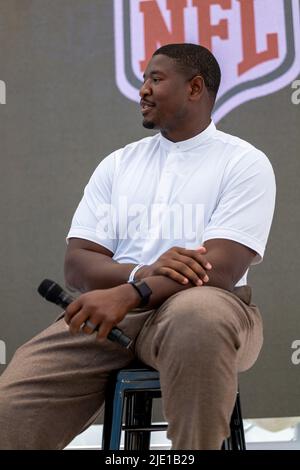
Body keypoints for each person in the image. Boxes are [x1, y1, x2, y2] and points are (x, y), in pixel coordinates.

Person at [0, 43, 276, 450]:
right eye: (144, 79)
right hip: (112, 314)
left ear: (195, 88)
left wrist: (133, 291)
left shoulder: (243, 163)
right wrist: (139, 274)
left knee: (199, 315)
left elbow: (218, 271)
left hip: (209, 308)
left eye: (156, 79)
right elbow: (77, 264)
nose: (143, 89)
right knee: (11, 404)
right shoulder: (119, 164)